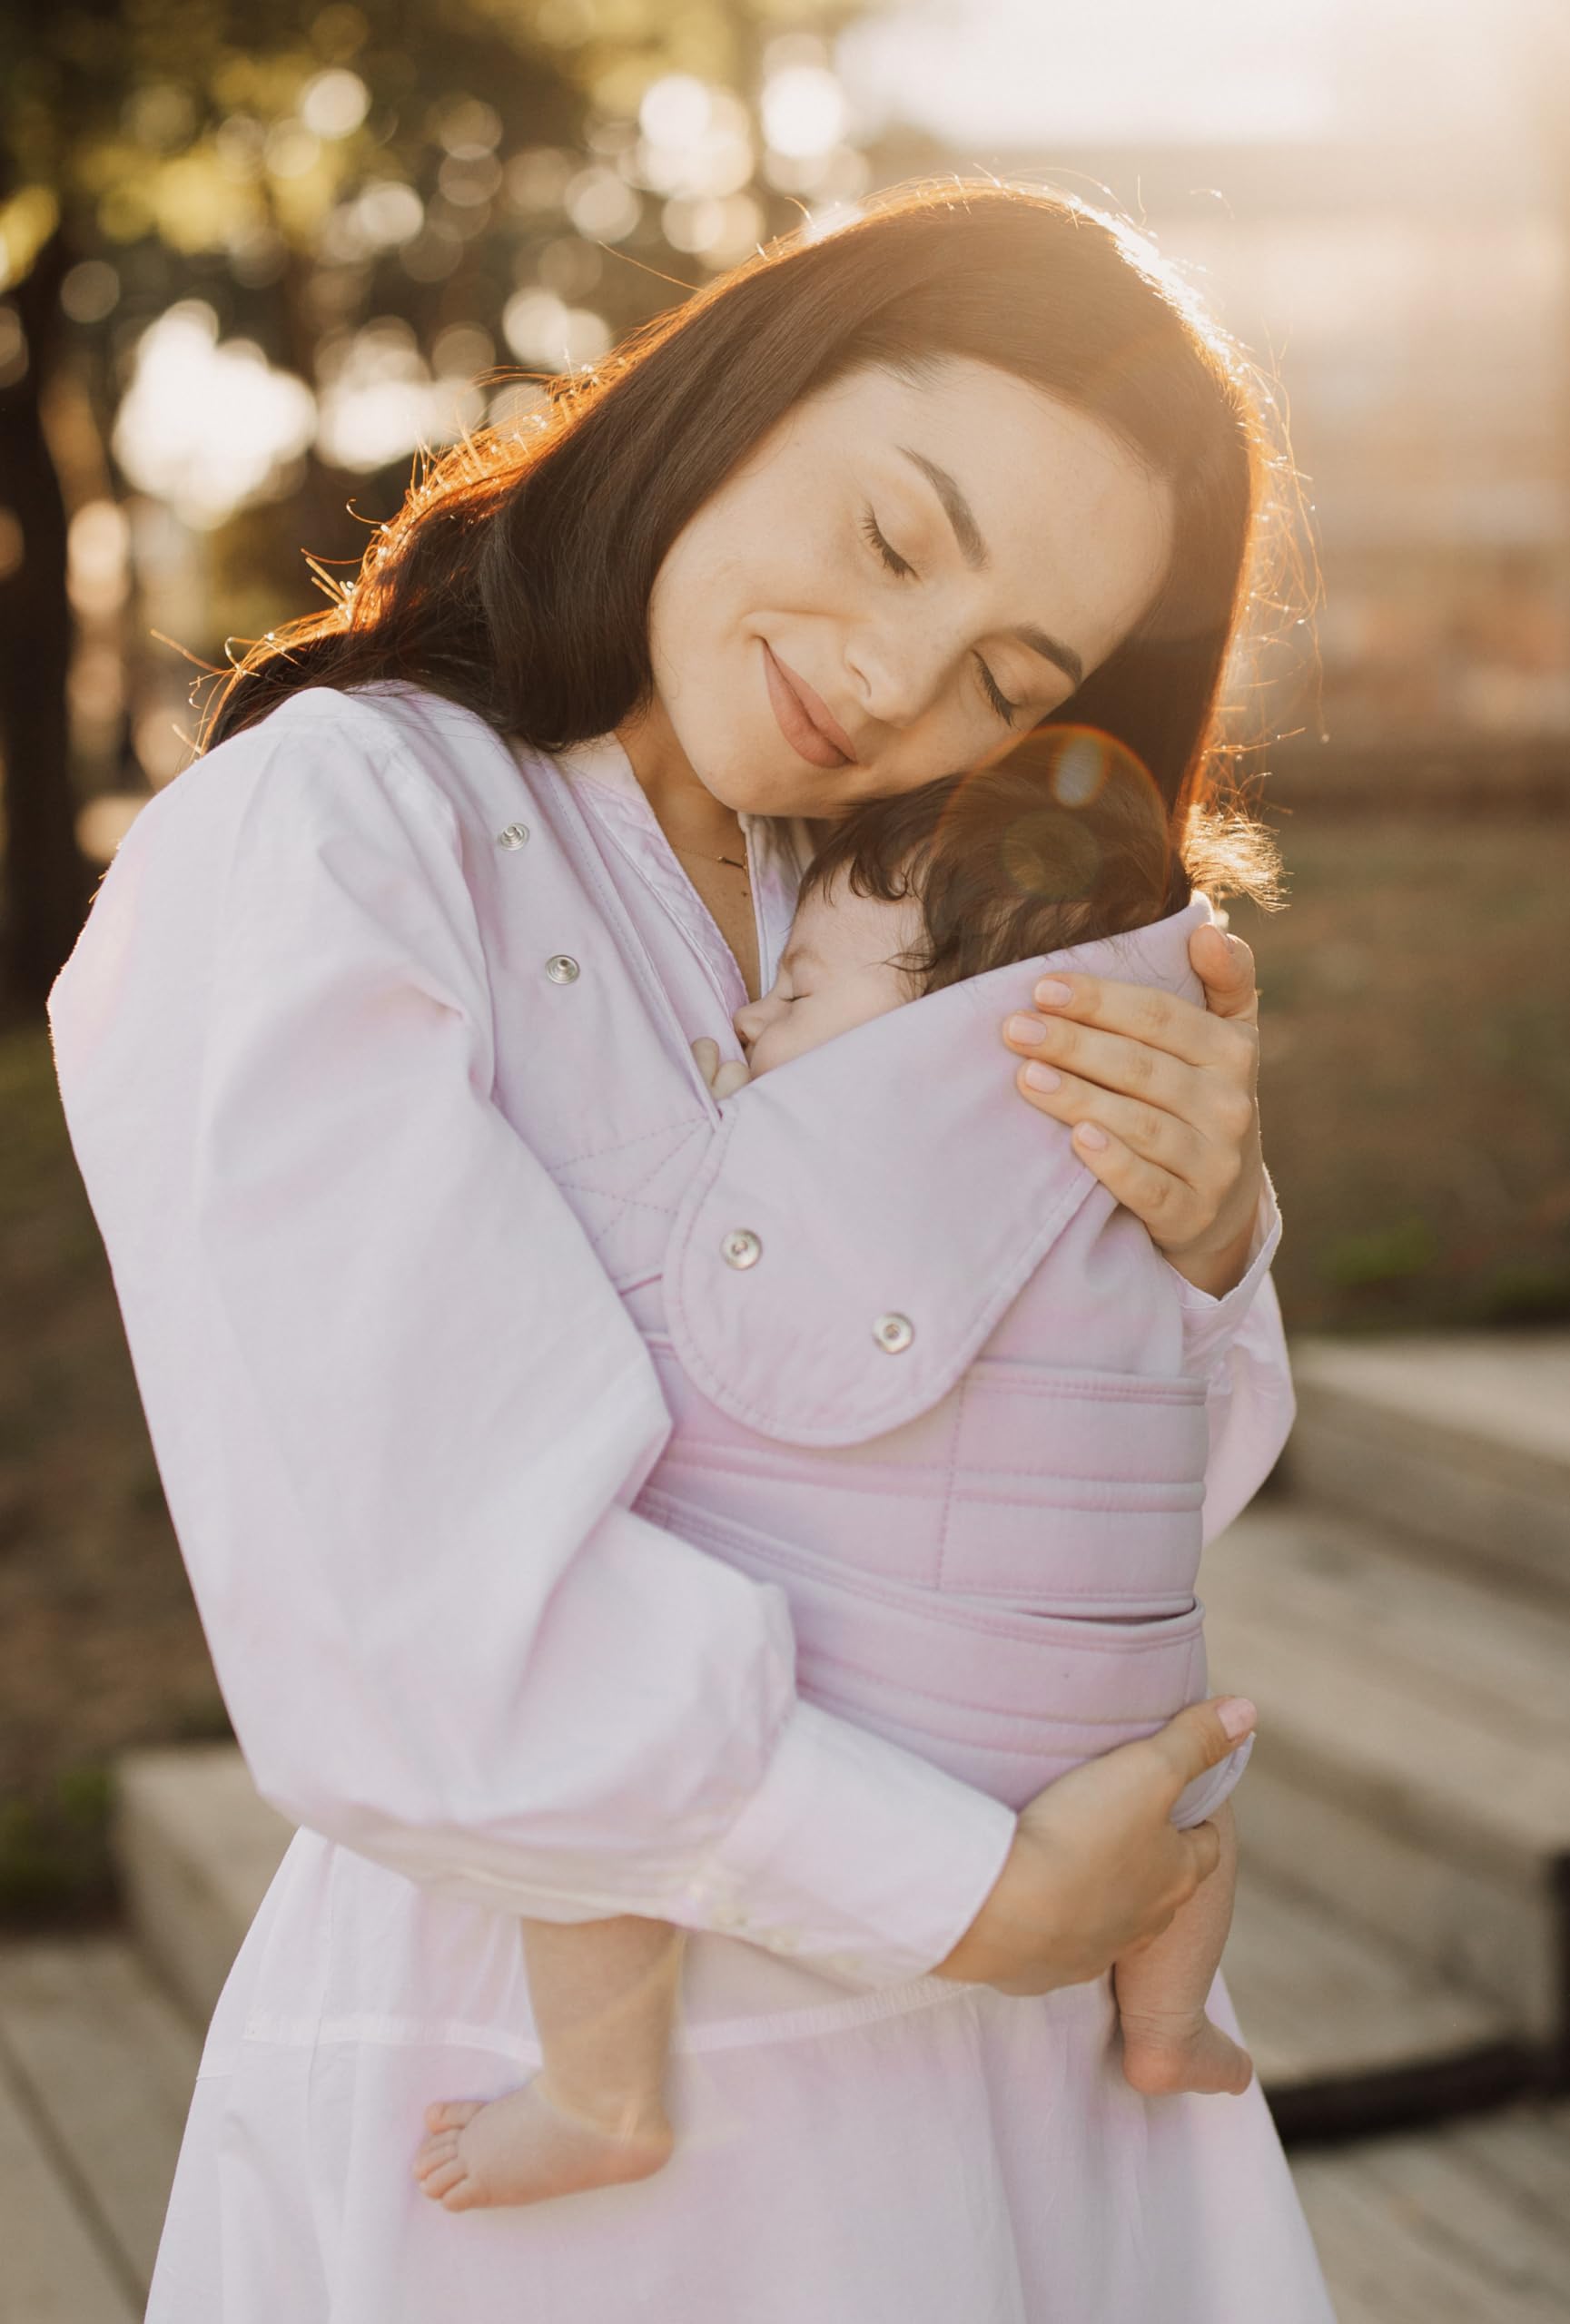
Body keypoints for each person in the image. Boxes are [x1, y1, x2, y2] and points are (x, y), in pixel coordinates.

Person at [47, 182, 1335, 2319]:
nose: (897, 679)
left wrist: (1199, 1240)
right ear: (739, 394)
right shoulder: (342, 836)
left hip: (1030, 2073)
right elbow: (421, 1605)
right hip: (575, 2128)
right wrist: (970, 1892)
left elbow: (1084, 1507)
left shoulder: (910, 895)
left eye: (1009, 673)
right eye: (892, 538)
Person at [412, 738, 1259, 2217]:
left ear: (949, 1037)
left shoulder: (835, 1174)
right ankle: (1166, 2022)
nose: (751, 1013)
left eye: (797, 993)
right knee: (1202, 1813)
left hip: (897, 1723)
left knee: (589, 1789)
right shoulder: (1106, 1185)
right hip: (1127, 1736)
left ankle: (600, 2094)